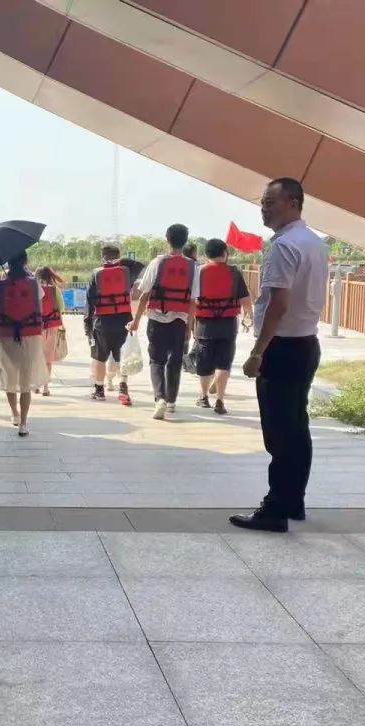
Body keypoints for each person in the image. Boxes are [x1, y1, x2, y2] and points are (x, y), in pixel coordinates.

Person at [230, 178, 328, 533]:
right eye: (263, 202)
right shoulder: (314, 242)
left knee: (280, 433)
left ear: (294, 203)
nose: (264, 209)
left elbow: (278, 304)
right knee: (296, 428)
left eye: (271, 202)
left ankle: (275, 510)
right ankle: (292, 501)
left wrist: (258, 352)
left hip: (282, 347)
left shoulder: (285, 246)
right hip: (305, 344)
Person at [130, 224, 199, 420]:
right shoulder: (193, 267)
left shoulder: (157, 263)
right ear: (185, 241)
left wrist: (136, 321)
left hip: (156, 319)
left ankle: (159, 398)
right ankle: (171, 402)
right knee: (175, 361)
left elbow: (144, 295)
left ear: (167, 239)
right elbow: (193, 301)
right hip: (180, 321)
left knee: (156, 360)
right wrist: (189, 326)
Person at [193, 238, 252, 415]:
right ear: (225, 253)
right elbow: (245, 299)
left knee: (204, 363)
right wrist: (248, 316)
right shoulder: (234, 272)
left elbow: (192, 300)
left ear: (206, 254)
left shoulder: (199, 272)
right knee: (223, 364)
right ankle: (220, 400)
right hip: (228, 324)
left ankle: (204, 397)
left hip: (204, 324)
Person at [0, 252, 48, 436]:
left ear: (8, 263)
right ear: (25, 262)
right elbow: (39, 308)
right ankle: (24, 423)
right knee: (25, 380)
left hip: (7, 336)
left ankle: (14, 414)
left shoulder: (0, 285)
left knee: (10, 377)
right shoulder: (34, 283)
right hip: (30, 335)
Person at [85, 245, 136, 404]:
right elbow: (136, 266)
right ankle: (123, 388)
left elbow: (89, 303)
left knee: (100, 357)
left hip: (103, 320)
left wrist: (87, 325)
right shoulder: (127, 272)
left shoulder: (96, 274)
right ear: (119, 256)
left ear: (103, 257)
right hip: (124, 319)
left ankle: (99, 390)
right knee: (123, 355)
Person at [36, 266, 65, 396]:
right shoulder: (54, 290)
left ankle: (36, 385)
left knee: (37, 357)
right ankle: (46, 387)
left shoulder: (34, 289)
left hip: (35, 327)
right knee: (48, 359)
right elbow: (61, 308)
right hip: (52, 326)